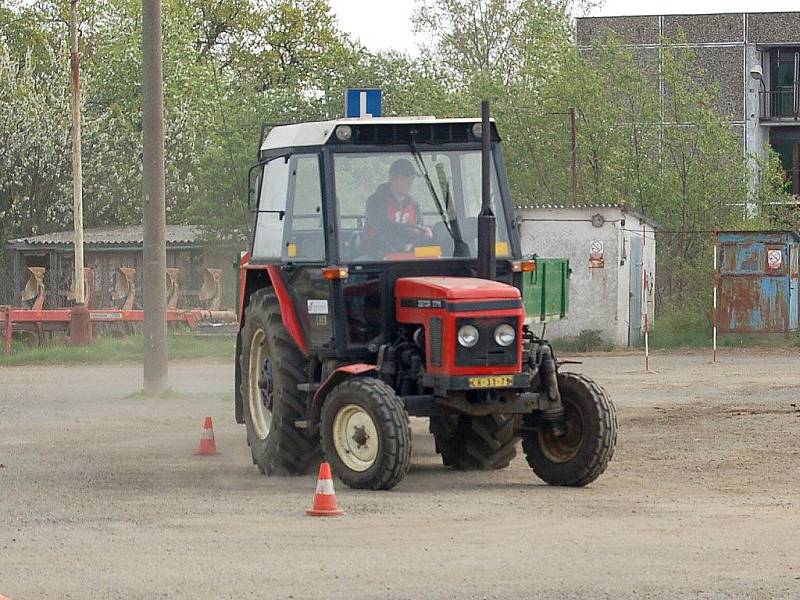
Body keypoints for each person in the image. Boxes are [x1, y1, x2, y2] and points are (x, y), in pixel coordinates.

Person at [362, 158, 433, 255]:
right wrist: (410, 232)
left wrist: (424, 235)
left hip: (409, 254)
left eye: (412, 178)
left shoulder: (414, 205)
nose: (410, 182)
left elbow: (418, 230)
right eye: (405, 177)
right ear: (392, 177)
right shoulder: (375, 202)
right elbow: (383, 228)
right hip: (377, 256)